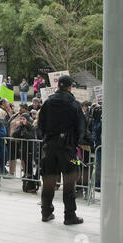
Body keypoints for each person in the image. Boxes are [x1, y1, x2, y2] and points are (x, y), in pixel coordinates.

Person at [38, 75, 86, 225]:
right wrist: (75, 142)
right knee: (69, 181)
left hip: (50, 146)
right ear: (70, 86)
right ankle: (69, 215)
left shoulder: (48, 102)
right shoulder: (74, 104)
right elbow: (81, 128)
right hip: (67, 147)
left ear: (58, 86)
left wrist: (47, 138)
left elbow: (40, 125)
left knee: (48, 180)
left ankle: (46, 212)